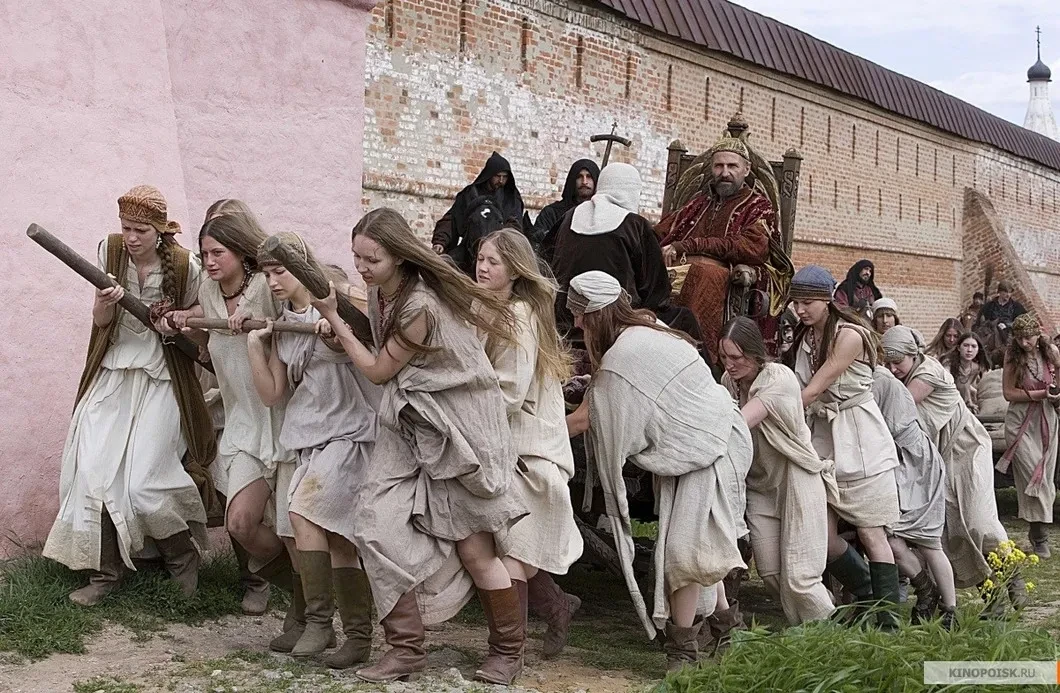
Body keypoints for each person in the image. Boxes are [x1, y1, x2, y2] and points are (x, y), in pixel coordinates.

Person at [312, 208, 528, 685]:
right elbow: (380, 348)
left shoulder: (420, 307)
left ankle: (508, 652)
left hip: (461, 430)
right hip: (410, 422)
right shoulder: (380, 293)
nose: (362, 268)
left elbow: (377, 371)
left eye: (372, 259)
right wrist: (343, 330)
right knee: (373, 524)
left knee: (476, 550)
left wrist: (333, 318)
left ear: (398, 256)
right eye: (356, 258)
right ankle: (406, 649)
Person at [565, 271, 751, 672]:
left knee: (683, 554)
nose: (577, 323)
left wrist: (533, 434)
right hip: (712, 439)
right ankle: (726, 629)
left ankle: (682, 653)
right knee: (703, 547)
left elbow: (584, 419)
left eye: (581, 315)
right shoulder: (648, 326)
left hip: (710, 445)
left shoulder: (624, 355)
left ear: (598, 314)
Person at [43, 185, 215, 605]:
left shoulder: (185, 266)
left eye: (141, 230)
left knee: (144, 482)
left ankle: (181, 557)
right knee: (90, 469)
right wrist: (107, 302)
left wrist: (178, 319)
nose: (132, 237)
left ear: (160, 230)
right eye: (127, 228)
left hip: (162, 378)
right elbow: (101, 321)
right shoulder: (111, 251)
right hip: (114, 371)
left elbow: (203, 320)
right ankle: (105, 573)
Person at [167, 205, 299, 649]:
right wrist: (181, 321)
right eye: (204, 253)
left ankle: (307, 608)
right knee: (240, 523)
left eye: (217, 252)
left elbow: (295, 316)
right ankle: (298, 585)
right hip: (243, 424)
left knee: (293, 527)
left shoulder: (265, 286)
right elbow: (204, 338)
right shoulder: (208, 291)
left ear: (242, 253)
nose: (208, 261)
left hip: (282, 420)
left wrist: (260, 329)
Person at [246, 233, 380, 667]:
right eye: (266, 274)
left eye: (279, 271)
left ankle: (321, 623)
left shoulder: (337, 302)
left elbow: (366, 341)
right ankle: (354, 636)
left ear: (302, 268)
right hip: (309, 435)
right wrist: (255, 345)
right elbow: (272, 394)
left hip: (349, 433)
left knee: (304, 513)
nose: (272, 282)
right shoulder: (285, 323)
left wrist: (335, 326)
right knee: (336, 537)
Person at [474, 228, 584, 659]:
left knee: (513, 551)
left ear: (516, 271)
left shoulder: (518, 316)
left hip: (530, 450)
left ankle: (508, 652)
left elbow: (509, 392)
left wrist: (461, 420)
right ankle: (557, 606)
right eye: (480, 259)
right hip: (506, 447)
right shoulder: (488, 308)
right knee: (510, 545)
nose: (483, 268)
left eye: (494, 262)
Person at [786, 265, 901, 630]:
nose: (800, 310)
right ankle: (867, 594)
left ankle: (888, 622)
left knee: (871, 532)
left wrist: (773, 410)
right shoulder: (805, 338)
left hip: (859, 437)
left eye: (807, 302)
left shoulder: (849, 335)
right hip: (822, 437)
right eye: (796, 303)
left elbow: (813, 388)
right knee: (822, 537)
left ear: (827, 300)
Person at [881, 327, 1013, 600]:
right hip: (939, 456)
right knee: (952, 528)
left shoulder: (928, 373)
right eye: (888, 363)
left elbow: (900, 406)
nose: (893, 369)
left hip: (967, 448)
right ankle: (994, 598)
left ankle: (1014, 580)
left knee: (979, 522)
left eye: (898, 362)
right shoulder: (902, 376)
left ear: (913, 354)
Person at [718, 317, 835, 626]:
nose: (729, 364)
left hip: (796, 477)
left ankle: (829, 637)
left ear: (755, 353)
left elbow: (739, 424)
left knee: (801, 577)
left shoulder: (778, 378)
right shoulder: (729, 381)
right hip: (760, 484)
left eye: (736, 357)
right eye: (724, 356)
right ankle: (812, 626)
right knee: (771, 574)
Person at [656, 136, 793, 356]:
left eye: (732, 166)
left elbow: (751, 247)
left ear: (746, 169)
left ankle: (700, 356)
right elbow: (662, 231)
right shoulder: (698, 203)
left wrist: (689, 245)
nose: (725, 172)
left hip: (724, 278)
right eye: (719, 166)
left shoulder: (759, 206)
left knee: (704, 274)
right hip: (677, 272)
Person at [550, 162, 699, 343]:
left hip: (564, 322)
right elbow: (656, 291)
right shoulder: (636, 225)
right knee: (684, 318)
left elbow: (549, 262)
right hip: (615, 324)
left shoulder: (568, 217)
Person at [868, 364, 954, 629]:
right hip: (895, 463)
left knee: (929, 542)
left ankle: (950, 611)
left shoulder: (879, 380)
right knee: (892, 540)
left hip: (918, 465)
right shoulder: (869, 378)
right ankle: (926, 591)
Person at [998, 313, 1059, 560]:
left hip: (1046, 419)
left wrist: (1055, 392)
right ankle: (1040, 535)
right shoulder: (1012, 356)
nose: (1024, 342)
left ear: (1038, 334)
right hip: (1020, 420)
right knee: (1033, 475)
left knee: (1045, 478)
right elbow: (1008, 393)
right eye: (1020, 338)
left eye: (1028, 337)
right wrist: (1040, 394)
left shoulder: (1050, 352)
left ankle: (1037, 531)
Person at [431, 152, 528, 275]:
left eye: (505, 177)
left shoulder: (511, 198)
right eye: (498, 176)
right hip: (469, 249)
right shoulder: (469, 194)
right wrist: (440, 241)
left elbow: (515, 225)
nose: (501, 180)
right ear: (489, 175)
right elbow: (452, 219)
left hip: (499, 250)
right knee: (443, 270)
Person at [533, 159, 599, 257]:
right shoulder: (551, 213)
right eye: (579, 177)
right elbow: (538, 245)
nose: (584, 182)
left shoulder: (601, 214)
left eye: (589, 177)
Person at [948, 332, 992, 414]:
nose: (969, 350)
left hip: (967, 407)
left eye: (973, 346)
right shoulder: (948, 365)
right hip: (950, 405)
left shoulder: (976, 368)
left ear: (978, 349)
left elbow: (967, 387)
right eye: (966, 345)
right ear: (958, 348)